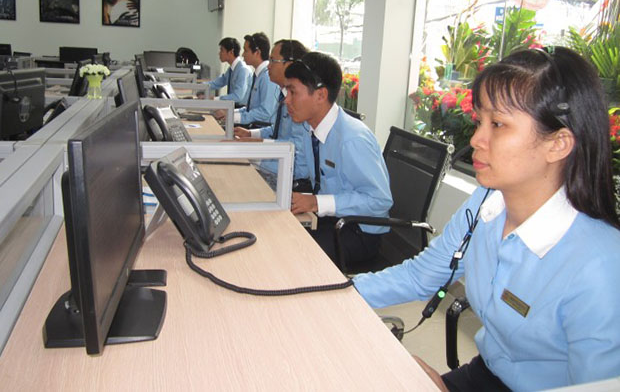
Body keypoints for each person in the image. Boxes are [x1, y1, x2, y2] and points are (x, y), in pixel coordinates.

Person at [353, 47, 620, 391]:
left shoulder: (602, 267)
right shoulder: (487, 202)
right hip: (487, 373)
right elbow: (422, 275)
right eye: (480, 121)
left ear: (558, 144)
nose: (476, 139)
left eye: (498, 124)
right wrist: (339, 292)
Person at [285, 51, 393, 265]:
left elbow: (379, 201)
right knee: (280, 232)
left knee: (295, 255)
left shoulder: (352, 139)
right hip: (330, 219)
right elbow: (303, 169)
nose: (286, 100)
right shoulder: (311, 128)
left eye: (292, 92)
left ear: (320, 95)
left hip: (358, 231)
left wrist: (316, 202)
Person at [234, 39, 310, 184]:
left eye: (273, 61)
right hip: (275, 162)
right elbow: (278, 130)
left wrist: (255, 151)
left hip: (288, 174)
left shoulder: (301, 102)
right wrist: (251, 134)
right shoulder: (283, 93)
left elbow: (296, 151)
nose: (268, 66)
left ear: (289, 64)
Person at [216, 32, 279, 126]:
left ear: (257, 52)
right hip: (252, 124)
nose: (242, 54)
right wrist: (230, 113)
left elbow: (265, 112)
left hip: (259, 128)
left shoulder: (267, 77)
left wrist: (234, 117)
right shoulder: (258, 74)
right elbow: (250, 108)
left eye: (246, 51)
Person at [207, 37, 252, 105]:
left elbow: (238, 96)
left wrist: (215, 99)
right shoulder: (232, 69)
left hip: (241, 107)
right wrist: (200, 86)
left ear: (231, 52)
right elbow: (219, 82)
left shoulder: (243, 70)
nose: (219, 53)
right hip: (232, 106)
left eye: (222, 50)